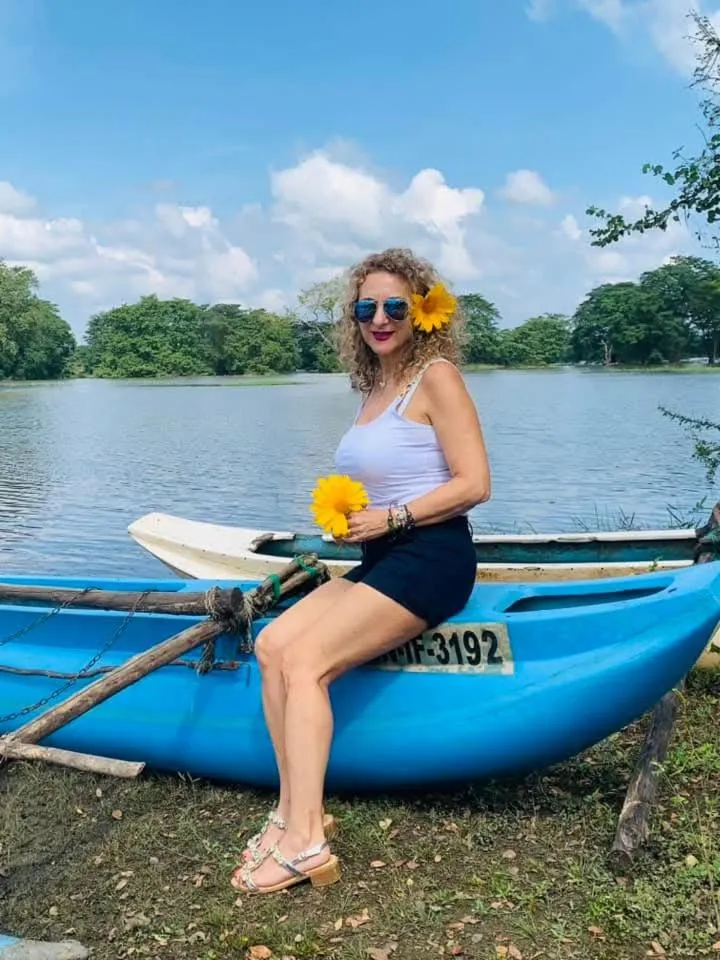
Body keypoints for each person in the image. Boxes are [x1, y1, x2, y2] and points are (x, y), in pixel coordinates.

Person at [231, 247, 491, 896]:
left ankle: (306, 846)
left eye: (395, 306)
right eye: (366, 307)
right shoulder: (376, 387)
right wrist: (357, 519)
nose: (379, 317)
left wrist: (396, 518)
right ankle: (295, 812)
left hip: (432, 559)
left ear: (423, 312)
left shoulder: (437, 377)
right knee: (270, 645)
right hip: (383, 555)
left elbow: (475, 483)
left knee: (307, 662)